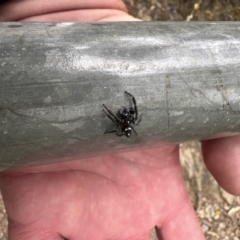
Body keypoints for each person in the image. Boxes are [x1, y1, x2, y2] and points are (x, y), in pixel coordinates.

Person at [0, 1, 239, 239]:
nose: (126, 120)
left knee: (123, 117)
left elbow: (124, 122)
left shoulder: (124, 124)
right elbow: (127, 120)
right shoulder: (126, 123)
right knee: (124, 116)